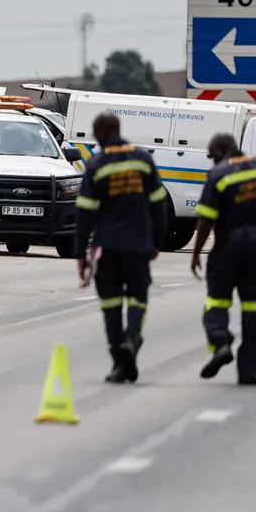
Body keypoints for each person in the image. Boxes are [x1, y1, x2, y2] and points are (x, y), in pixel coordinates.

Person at [191, 131, 256, 385]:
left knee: (216, 302)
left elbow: (206, 219)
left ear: (218, 154)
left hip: (228, 247)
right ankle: (248, 373)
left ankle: (220, 342)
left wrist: (195, 253)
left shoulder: (218, 175)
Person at [73, 112, 167, 384]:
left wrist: (81, 253)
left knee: (111, 304)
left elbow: (85, 212)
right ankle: (133, 338)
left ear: (102, 133)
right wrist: (158, 241)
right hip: (138, 245)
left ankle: (118, 363)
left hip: (108, 246)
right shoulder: (143, 160)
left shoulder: (96, 165)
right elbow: (158, 204)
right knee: (138, 297)